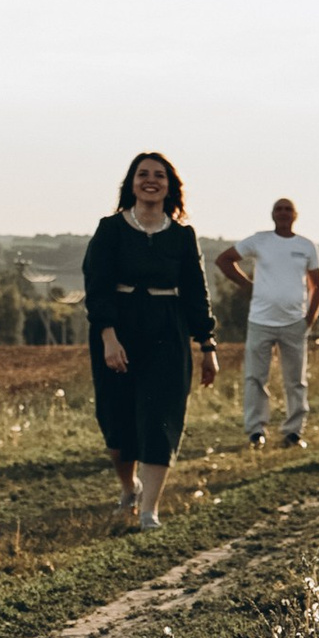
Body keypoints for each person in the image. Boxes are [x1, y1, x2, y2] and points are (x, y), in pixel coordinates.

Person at [81, 151, 215, 529]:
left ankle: (149, 510)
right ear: (132, 183)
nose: (150, 180)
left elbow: (196, 291)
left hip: (167, 331)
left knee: (161, 418)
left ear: (170, 186)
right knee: (117, 421)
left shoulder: (183, 236)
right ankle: (129, 487)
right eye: (143, 174)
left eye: (159, 175)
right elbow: (97, 285)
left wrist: (207, 345)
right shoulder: (111, 229)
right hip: (118, 328)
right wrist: (108, 336)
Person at [216, 196, 319, 448]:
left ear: (295, 215)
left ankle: (294, 432)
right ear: (272, 214)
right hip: (260, 321)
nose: (284, 213)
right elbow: (224, 259)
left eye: (288, 209)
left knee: (295, 380)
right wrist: (246, 284)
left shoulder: (307, 246)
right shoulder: (260, 240)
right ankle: (256, 432)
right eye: (279, 209)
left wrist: (309, 318)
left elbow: (317, 285)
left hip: (294, 322)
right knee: (255, 377)